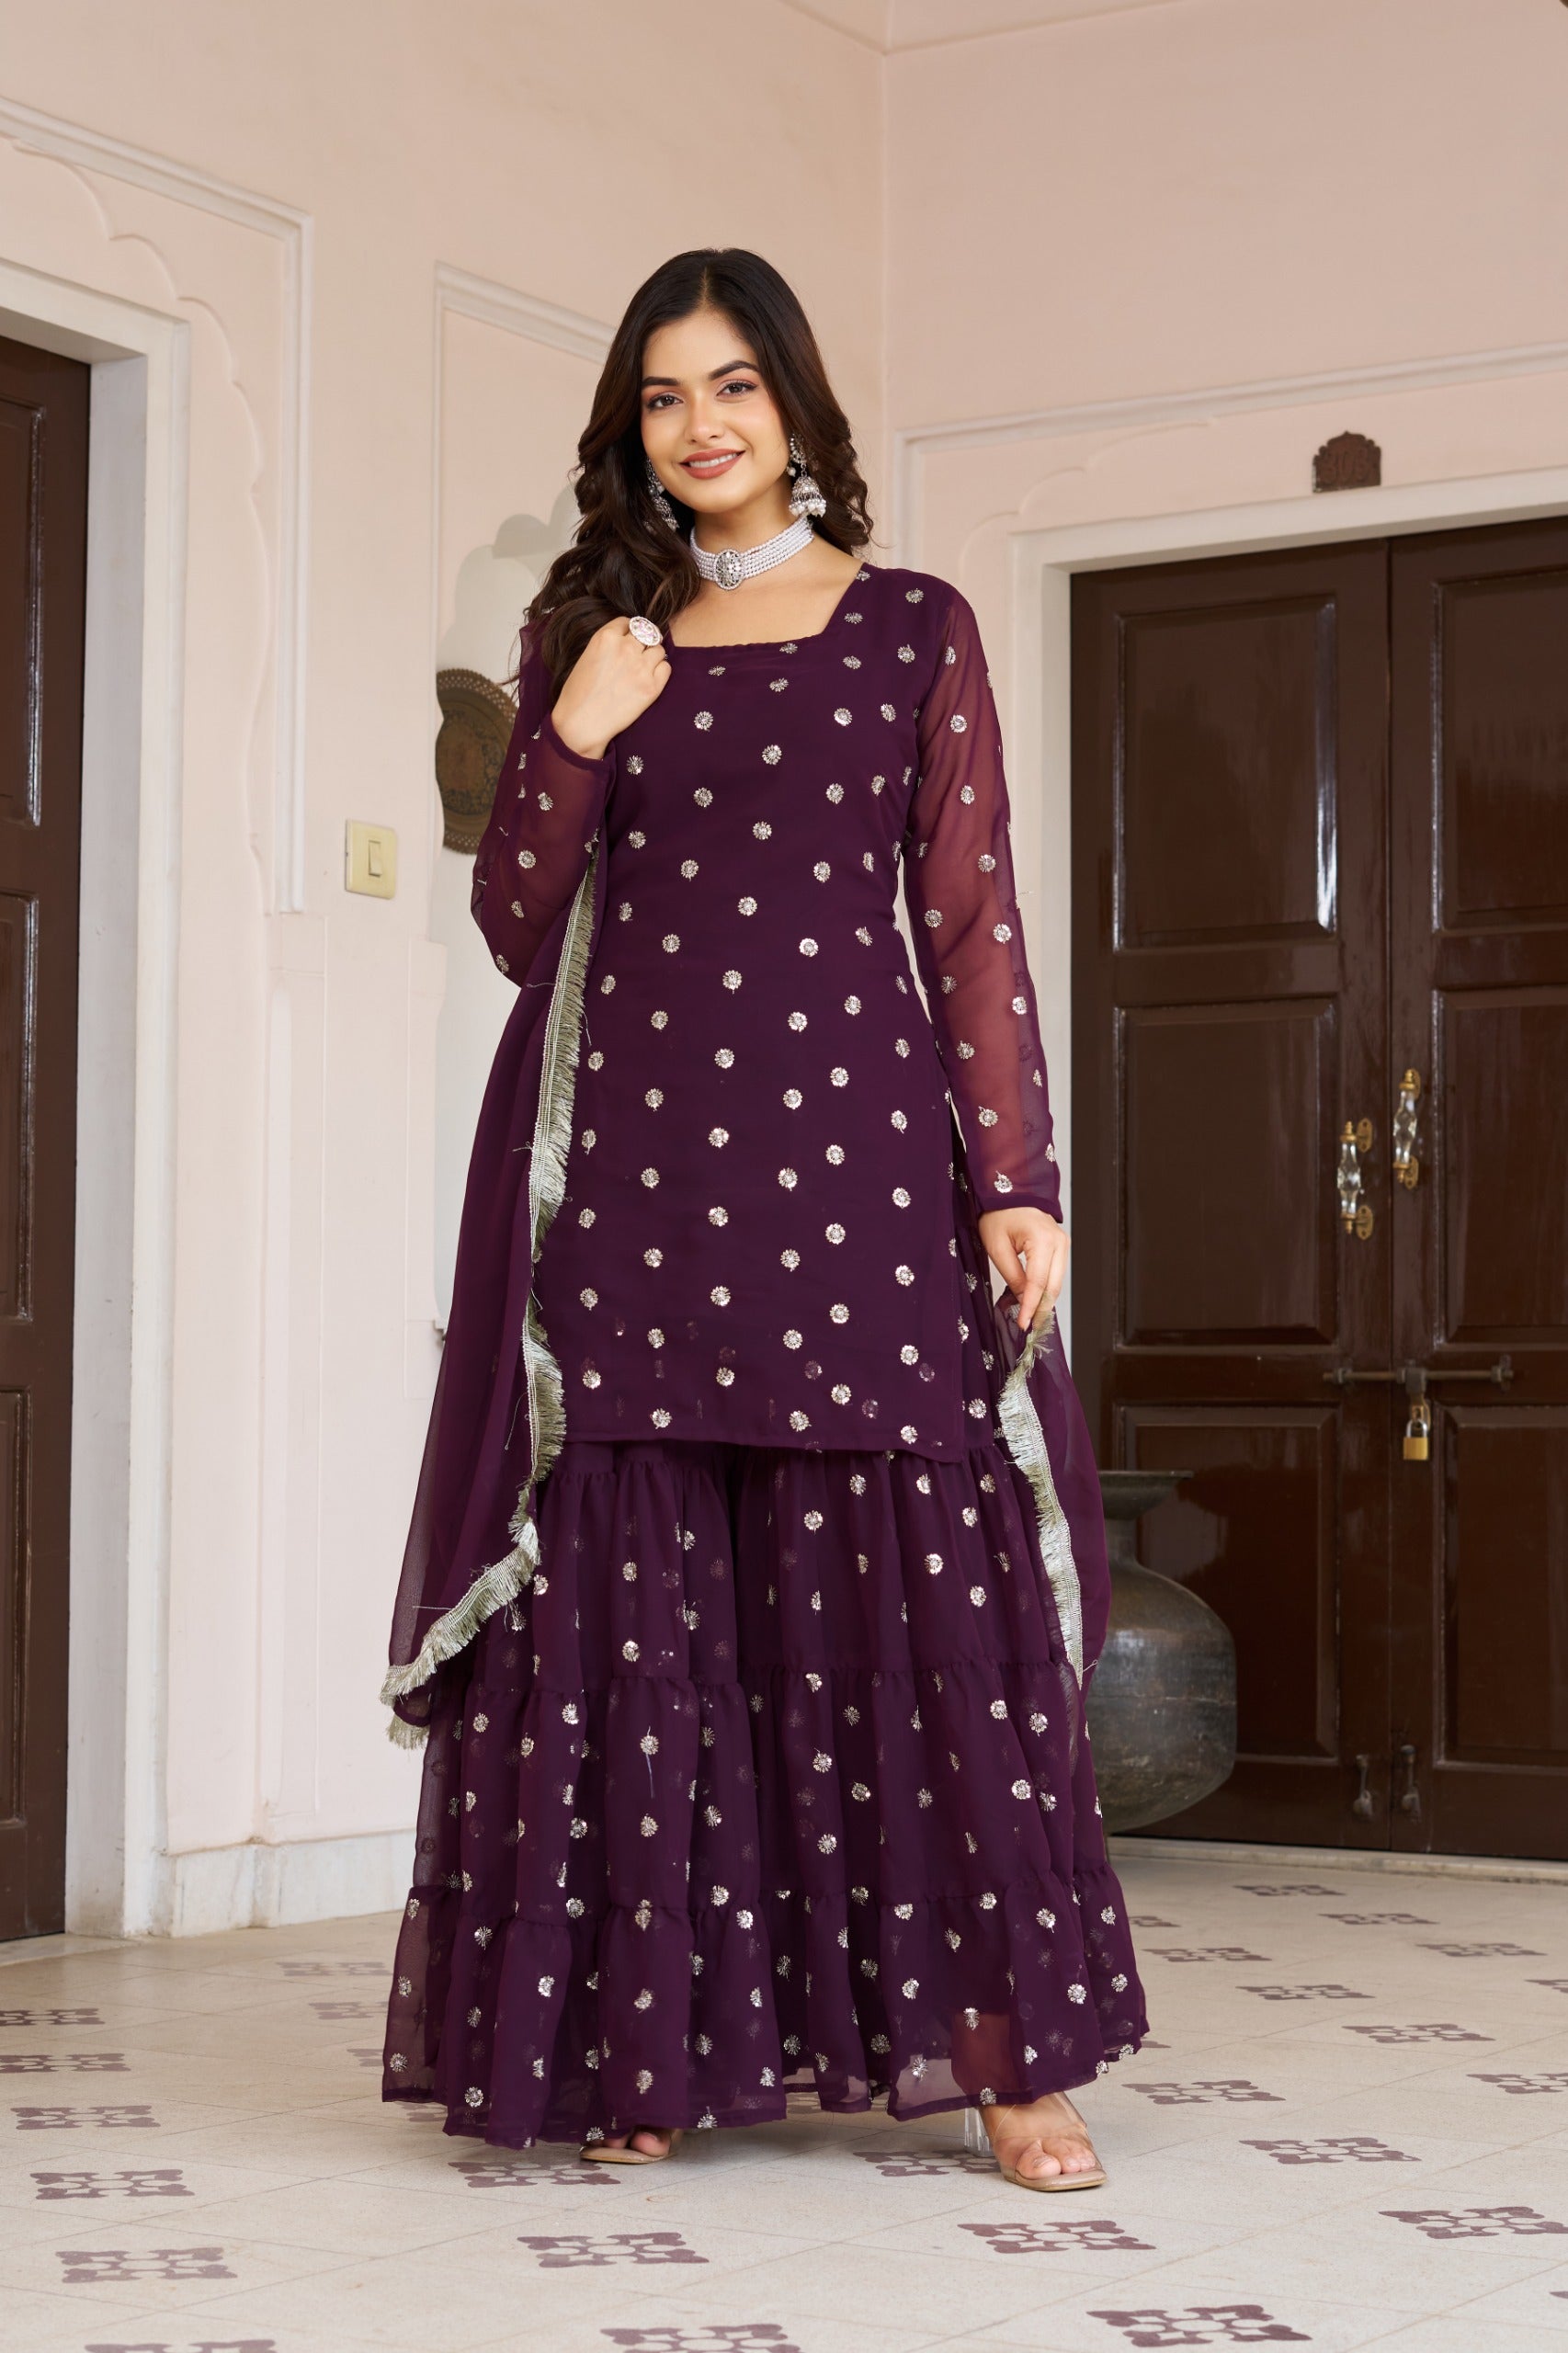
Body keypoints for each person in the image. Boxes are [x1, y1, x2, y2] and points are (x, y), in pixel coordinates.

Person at [380, 247, 1145, 2191]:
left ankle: (1006, 2060)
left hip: (857, 1183)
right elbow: (509, 925)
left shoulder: (910, 628)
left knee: (906, 1605)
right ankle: (648, 2051)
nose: (700, 426)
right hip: (637, 1180)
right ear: (629, 429)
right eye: (661, 397)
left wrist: (1017, 1171)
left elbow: (970, 918)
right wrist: (575, 727)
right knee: (646, 1611)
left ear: (795, 403)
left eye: (733, 386)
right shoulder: (593, 627)